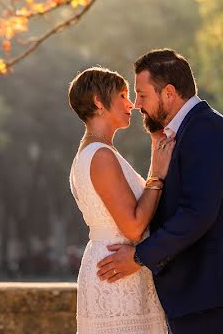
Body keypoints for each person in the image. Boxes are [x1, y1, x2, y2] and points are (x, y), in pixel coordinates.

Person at [96, 49, 223, 333]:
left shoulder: (206, 130)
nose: (137, 105)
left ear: (168, 93)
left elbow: (197, 213)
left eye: (142, 95)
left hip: (210, 290)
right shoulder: (187, 130)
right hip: (198, 291)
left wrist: (139, 256)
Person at [68, 67, 174, 333]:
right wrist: (157, 175)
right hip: (117, 271)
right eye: (123, 96)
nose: (132, 104)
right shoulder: (100, 155)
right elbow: (133, 226)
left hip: (120, 267)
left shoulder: (98, 152)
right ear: (98, 102)